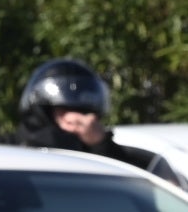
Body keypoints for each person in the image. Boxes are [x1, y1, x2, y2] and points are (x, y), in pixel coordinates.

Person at [10, 57, 151, 169]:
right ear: (43, 110)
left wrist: (100, 144)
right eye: (63, 110)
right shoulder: (11, 148)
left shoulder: (106, 153)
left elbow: (140, 177)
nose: (74, 118)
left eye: (82, 112)